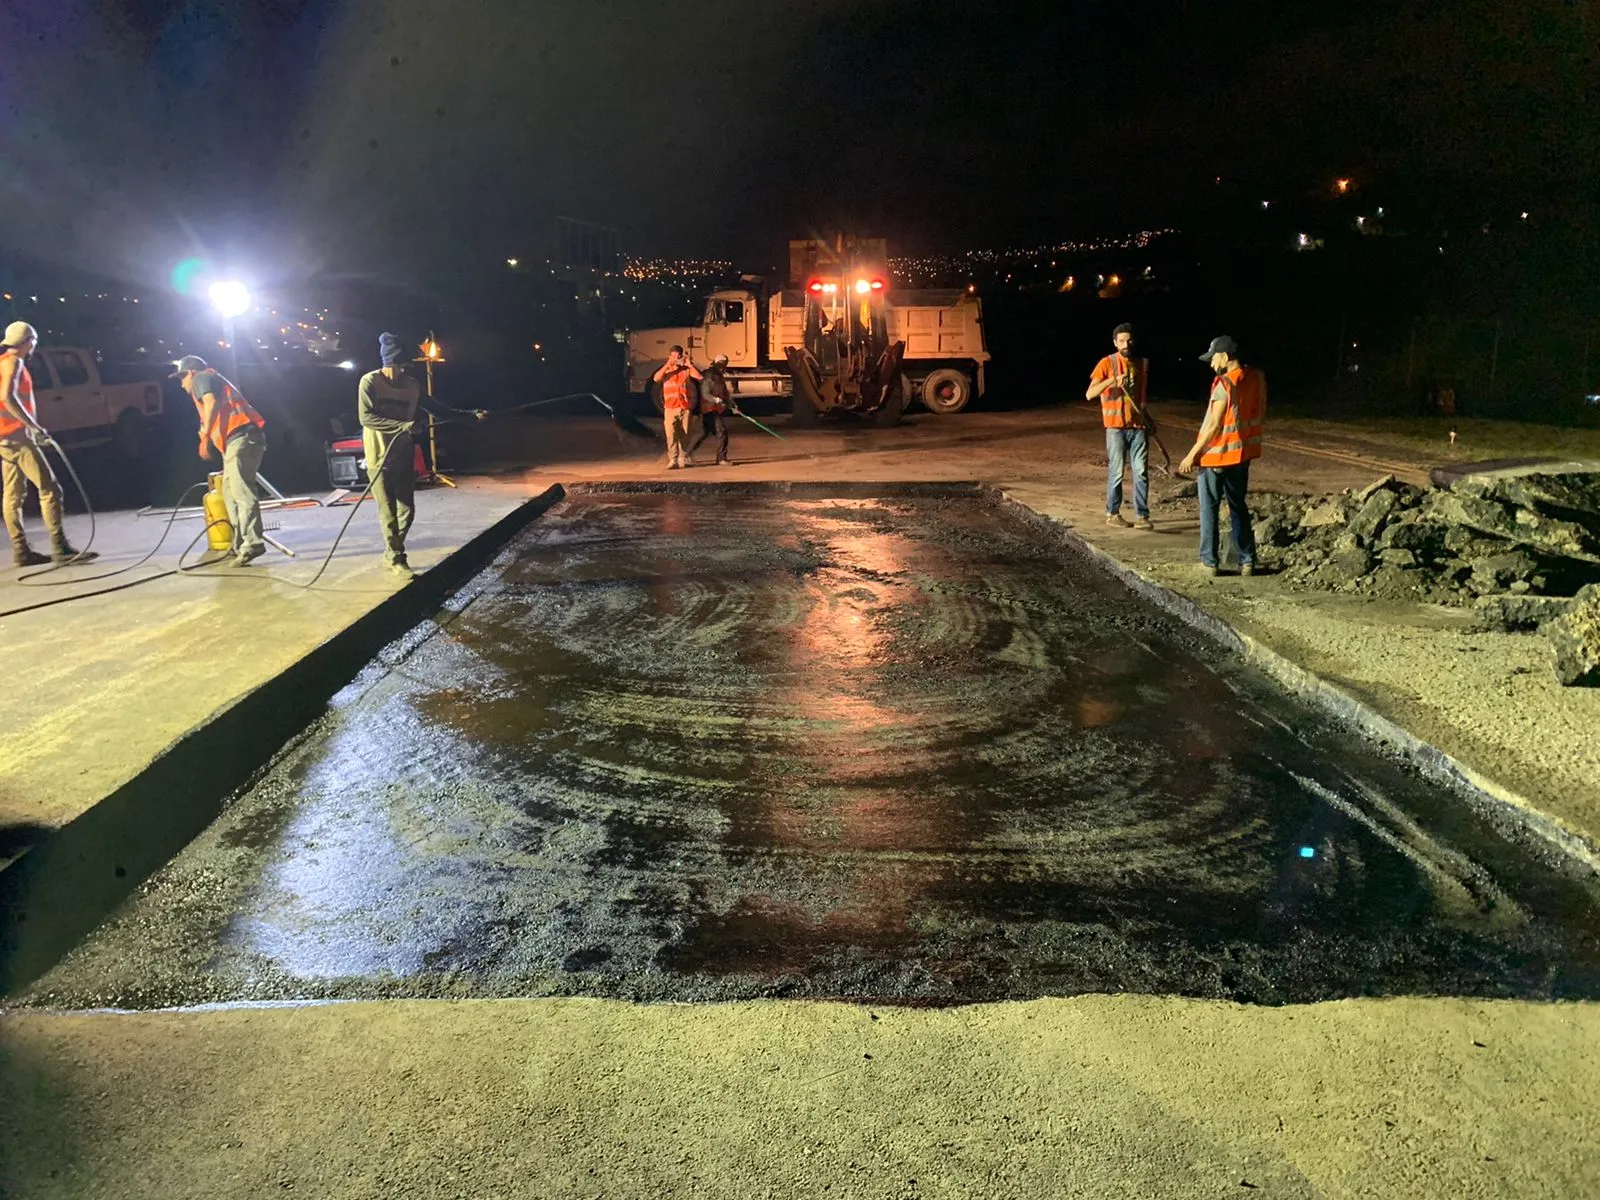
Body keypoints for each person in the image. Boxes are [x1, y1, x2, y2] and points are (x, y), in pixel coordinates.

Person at [0, 322, 95, 566]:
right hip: (18, 436)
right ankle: (60, 547)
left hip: (4, 438)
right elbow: (7, 397)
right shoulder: (14, 363)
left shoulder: (2, 362)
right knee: (50, 488)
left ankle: (21, 551)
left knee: (13, 495)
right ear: (28, 342)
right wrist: (33, 426)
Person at [1179, 336, 1267, 577]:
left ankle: (1209, 562)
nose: (1211, 364)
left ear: (1225, 357)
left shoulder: (1224, 384)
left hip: (1216, 456)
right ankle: (1247, 561)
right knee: (1238, 506)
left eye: (1213, 358)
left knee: (1209, 508)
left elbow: (1214, 425)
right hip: (1241, 454)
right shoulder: (1256, 378)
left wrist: (1192, 455)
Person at [171, 354, 268, 566]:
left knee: (241, 491)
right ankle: (239, 544)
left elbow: (211, 402)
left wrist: (205, 438)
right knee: (229, 492)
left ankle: (253, 543)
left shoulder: (202, 378)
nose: (182, 384)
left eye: (182, 378)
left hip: (241, 438)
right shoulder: (210, 381)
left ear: (191, 373)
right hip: (239, 441)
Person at [358, 333, 427, 579]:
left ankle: (391, 552)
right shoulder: (369, 382)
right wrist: (402, 426)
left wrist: (469, 414)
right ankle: (397, 558)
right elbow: (366, 417)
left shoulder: (412, 386)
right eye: (401, 365)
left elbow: (433, 406)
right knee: (387, 512)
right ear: (391, 363)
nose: (404, 371)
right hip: (378, 456)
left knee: (407, 510)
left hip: (403, 454)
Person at [1085, 322, 1153, 529]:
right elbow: (1090, 394)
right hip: (1115, 428)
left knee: (1141, 472)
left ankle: (1142, 516)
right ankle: (1113, 513)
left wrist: (1148, 420)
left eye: (1129, 340)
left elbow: (1141, 399)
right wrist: (1112, 381)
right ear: (1115, 343)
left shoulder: (1142, 364)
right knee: (1116, 472)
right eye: (1122, 340)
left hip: (1138, 427)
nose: (1126, 344)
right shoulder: (1107, 363)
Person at [652, 344, 701, 469]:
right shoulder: (667, 370)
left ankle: (682, 458)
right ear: (669, 356)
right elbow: (656, 378)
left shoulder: (686, 369)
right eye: (673, 356)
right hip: (670, 408)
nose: (676, 359)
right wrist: (668, 364)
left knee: (685, 434)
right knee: (671, 435)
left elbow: (699, 377)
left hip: (684, 407)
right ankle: (673, 459)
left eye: (678, 356)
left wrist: (690, 365)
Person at [689, 353, 735, 466]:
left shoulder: (719, 375)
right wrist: (717, 400)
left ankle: (686, 454)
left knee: (703, 432)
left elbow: (724, 392)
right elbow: (705, 393)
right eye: (722, 364)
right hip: (709, 409)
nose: (724, 366)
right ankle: (721, 458)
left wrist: (731, 403)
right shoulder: (710, 375)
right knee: (721, 431)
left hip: (715, 408)